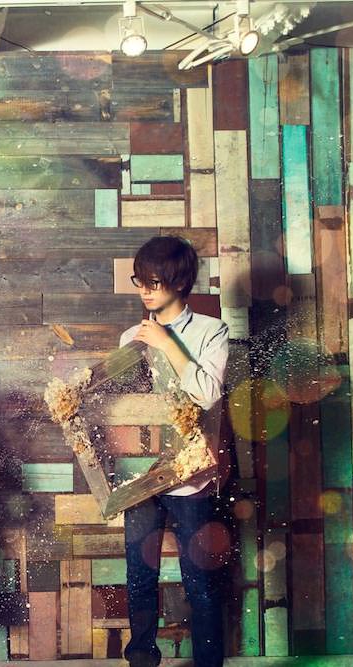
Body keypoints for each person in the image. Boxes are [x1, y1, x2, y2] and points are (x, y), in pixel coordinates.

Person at [119, 237, 230, 667]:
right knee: (139, 577)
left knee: (200, 581)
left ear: (179, 282)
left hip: (192, 476)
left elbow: (207, 394)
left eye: (155, 281)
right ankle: (141, 659)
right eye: (140, 281)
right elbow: (122, 406)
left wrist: (166, 343)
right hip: (142, 475)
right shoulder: (131, 337)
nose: (145, 290)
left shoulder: (210, 331)